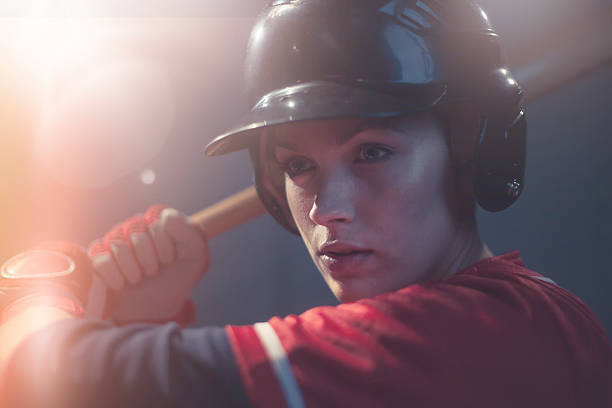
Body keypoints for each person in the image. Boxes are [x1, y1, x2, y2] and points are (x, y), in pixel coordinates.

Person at [1, 1, 611, 407]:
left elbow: (35, 375)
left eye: (372, 153)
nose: (325, 209)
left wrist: (38, 296)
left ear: (470, 152)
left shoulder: (487, 332)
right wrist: (137, 325)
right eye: (298, 166)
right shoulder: (536, 320)